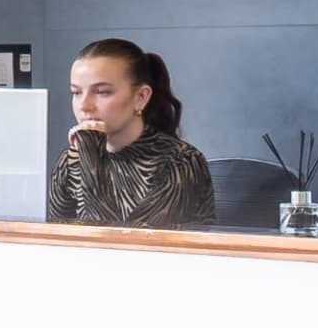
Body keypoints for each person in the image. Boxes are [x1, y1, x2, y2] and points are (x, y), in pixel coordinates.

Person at [51, 39, 213, 228]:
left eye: (102, 92)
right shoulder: (71, 160)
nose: (84, 106)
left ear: (141, 97)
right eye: (76, 92)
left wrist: (91, 158)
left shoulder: (181, 161)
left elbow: (126, 246)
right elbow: (57, 241)